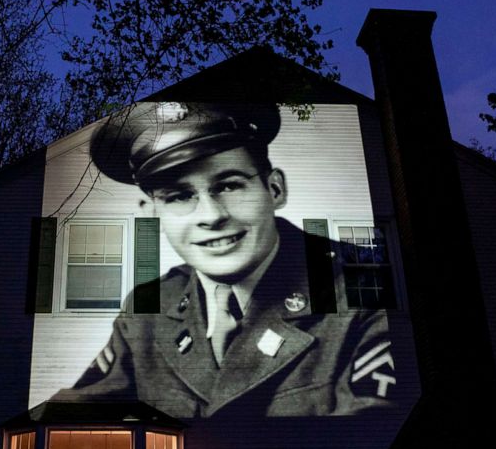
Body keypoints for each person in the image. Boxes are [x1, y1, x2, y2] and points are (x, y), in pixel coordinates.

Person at [58, 102, 396, 417]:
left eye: (230, 186)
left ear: (274, 189)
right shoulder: (147, 310)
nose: (211, 216)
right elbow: (69, 421)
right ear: (153, 214)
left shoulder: (367, 287)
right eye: (179, 196)